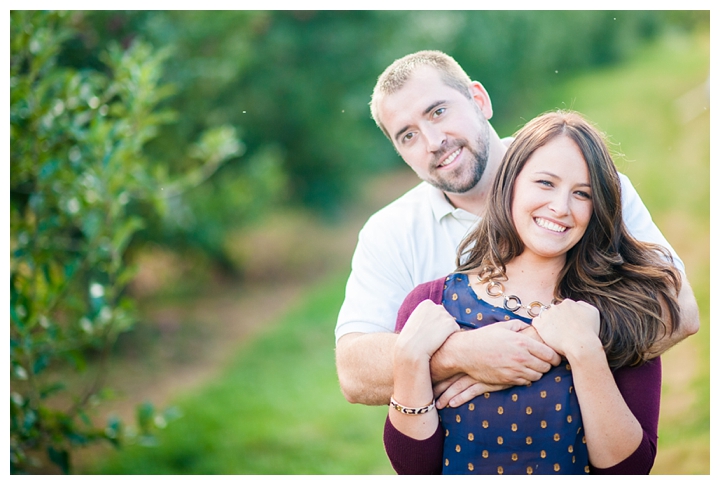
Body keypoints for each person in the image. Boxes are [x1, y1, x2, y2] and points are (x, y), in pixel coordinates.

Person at [335, 50, 699, 408]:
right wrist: (459, 355)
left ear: (479, 99)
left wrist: (523, 354)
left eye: (438, 112)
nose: (433, 142)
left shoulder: (587, 188)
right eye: (408, 136)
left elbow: (679, 310)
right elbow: (354, 371)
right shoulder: (390, 232)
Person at [383, 110, 680, 474]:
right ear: (510, 184)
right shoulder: (430, 306)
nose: (560, 207)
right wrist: (410, 357)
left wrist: (585, 351)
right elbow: (414, 468)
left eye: (582, 194)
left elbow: (629, 470)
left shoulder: (622, 307)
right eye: (545, 183)